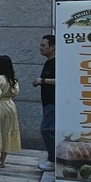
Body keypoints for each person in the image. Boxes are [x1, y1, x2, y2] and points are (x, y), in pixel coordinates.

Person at [0, 55, 22, 168]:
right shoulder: (13, 79)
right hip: (10, 105)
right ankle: (2, 160)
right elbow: (16, 92)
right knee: (7, 131)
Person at [35, 34, 57, 172]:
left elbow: (61, 80)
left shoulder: (57, 62)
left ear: (53, 47)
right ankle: (52, 158)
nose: (40, 48)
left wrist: (42, 81)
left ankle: (53, 160)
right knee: (49, 130)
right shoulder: (48, 62)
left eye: (43, 45)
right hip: (47, 103)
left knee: (47, 130)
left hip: (54, 103)